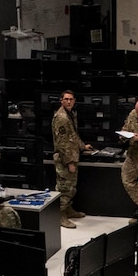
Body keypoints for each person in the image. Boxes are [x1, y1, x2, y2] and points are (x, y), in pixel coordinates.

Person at [51, 90, 89, 229]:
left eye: (71, 99)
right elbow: (62, 143)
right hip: (64, 159)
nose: (68, 101)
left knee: (71, 187)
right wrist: (69, 162)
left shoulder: (71, 114)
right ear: (61, 100)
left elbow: (73, 135)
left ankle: (68, 210)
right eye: (66, 99)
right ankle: (60, 215)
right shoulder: (61, 117)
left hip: (72, 155)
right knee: (64, 187)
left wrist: (83, 146)